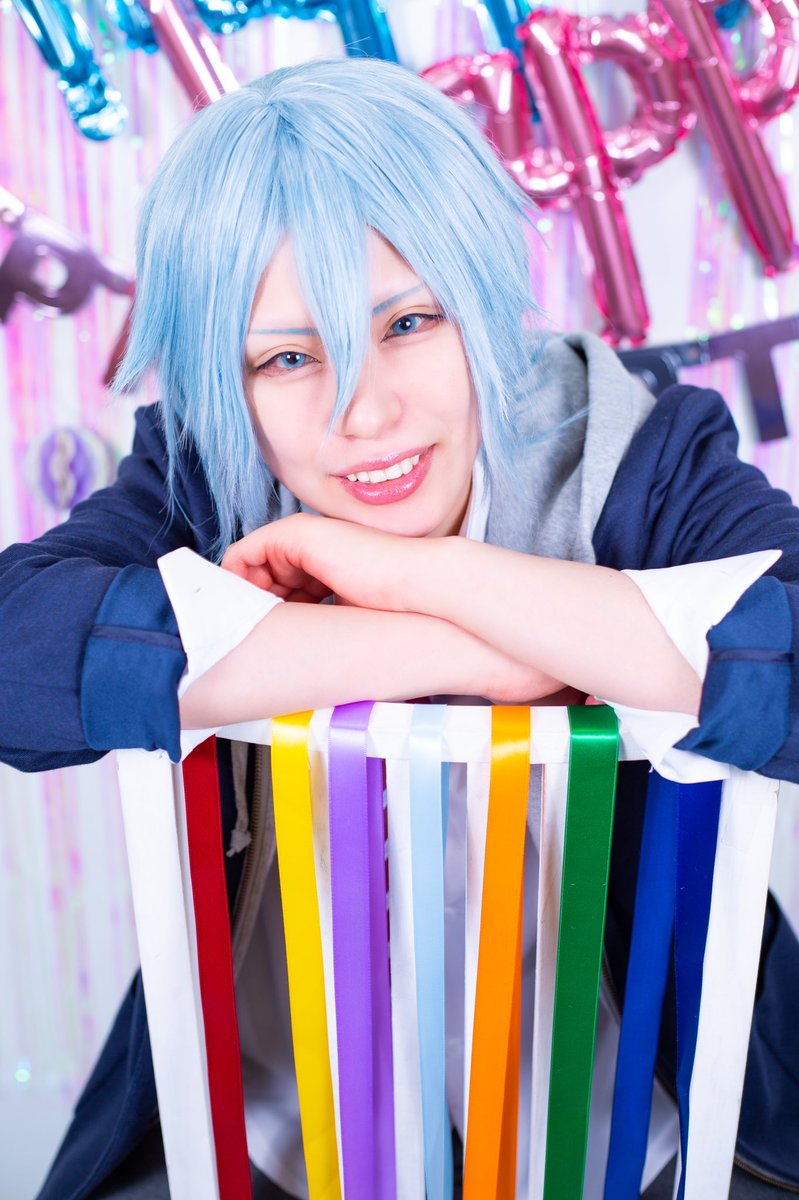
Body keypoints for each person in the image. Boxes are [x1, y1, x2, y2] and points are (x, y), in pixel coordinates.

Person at [1, 55, 798, 1200]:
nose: (364, 412)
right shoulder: (207, 472)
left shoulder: (640, 454)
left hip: (647, 1127)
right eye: (286, 357)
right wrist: (478, 648)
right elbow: (18, 653)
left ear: (480, 301)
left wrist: (428, 573)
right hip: (265, 1130)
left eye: (410, 322)